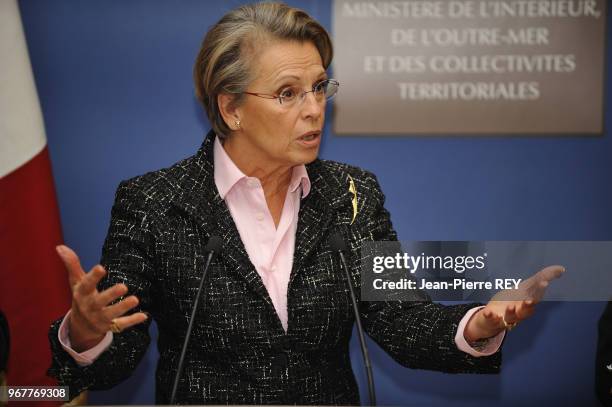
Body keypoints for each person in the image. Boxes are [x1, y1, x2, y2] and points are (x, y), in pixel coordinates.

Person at [47, 2, 564, 404]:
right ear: (231, 108)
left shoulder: (350, 194)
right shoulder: (155, 202)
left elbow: (399, 320)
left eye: (319, 88)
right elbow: (114, 363)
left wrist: (478, 324)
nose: (315, 109)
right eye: (288, 93)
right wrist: (87, 333)